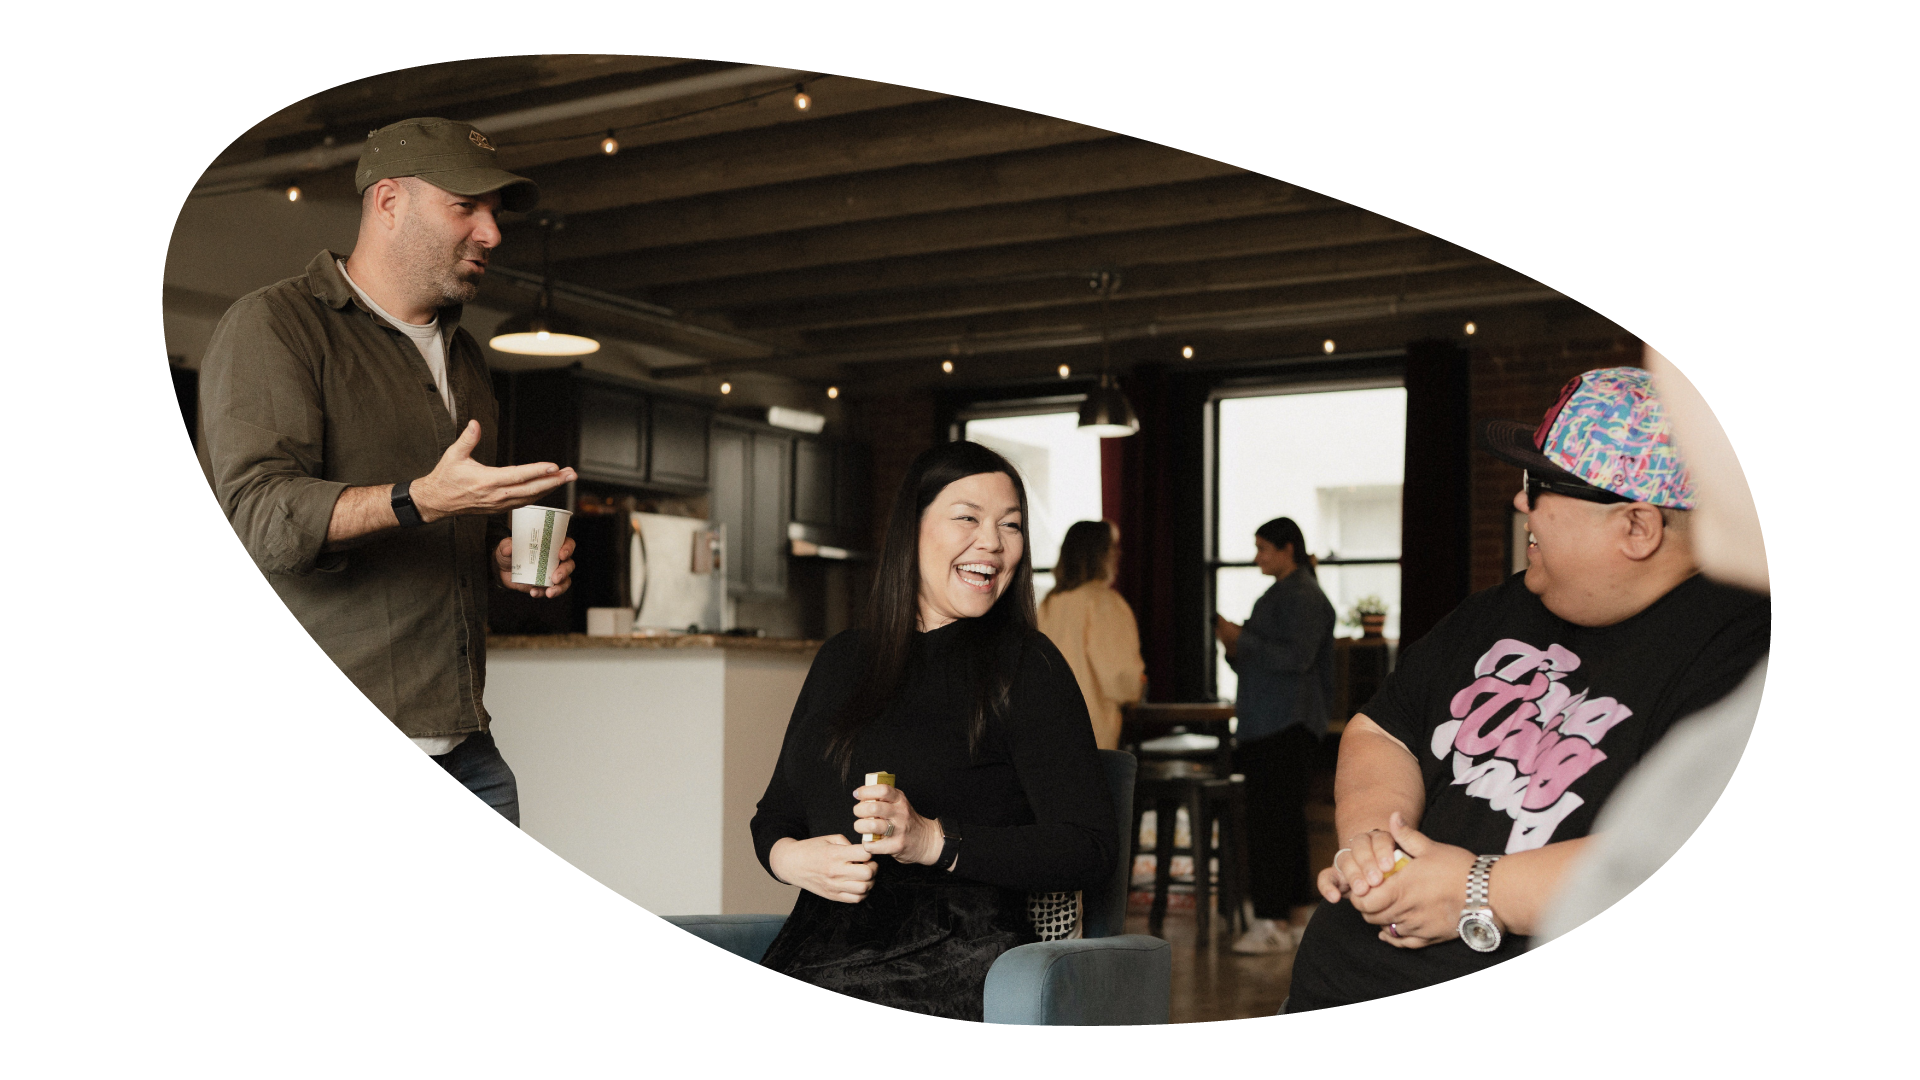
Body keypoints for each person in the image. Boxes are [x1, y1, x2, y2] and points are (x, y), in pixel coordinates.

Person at [1283, 366, 1769, 1014]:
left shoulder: (1745, 652)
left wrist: (1479, 890)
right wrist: (1377, 844)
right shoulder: (1506, 605)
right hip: (1340, 991)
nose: (1520, 502)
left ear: (1637, 528)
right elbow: (1385, 727)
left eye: (1540, 484)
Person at [200, 118, 579, 833]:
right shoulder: (276, 325)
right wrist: (422, 500)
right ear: (389, 202)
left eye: (495, 213)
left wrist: (495, 551)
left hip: (465, 746)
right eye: (466, 206)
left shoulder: (463, 356)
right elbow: (261, 524)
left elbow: (444, 517)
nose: (492, 233)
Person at [750, 441, 1118, 1023]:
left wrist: (934, 842)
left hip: (956, 956)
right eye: (968, 517)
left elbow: (1088, 848)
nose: (993, 542)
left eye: (1011, 525)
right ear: (912, 531)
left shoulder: (1028, 667)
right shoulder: (843, 660)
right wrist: (790, 859)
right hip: (816, 946)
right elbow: (776, 812)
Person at [1213, 517, 1336, 956]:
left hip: (1283, 724)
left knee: (1271, 827)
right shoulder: (1286, 593)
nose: (1257, 557)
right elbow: (1260, 661)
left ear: (1288, 549)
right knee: (1283, 825)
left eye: (1263, 548)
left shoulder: (1301, 596)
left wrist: (1240, 639)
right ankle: (1294, 915)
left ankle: (1272, 921)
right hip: (1272, 722)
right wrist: (1236, 646)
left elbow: (1296, 658)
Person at [1037, 519, 1146, 751]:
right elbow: (1118, 676)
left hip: (1047, 736)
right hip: (1092, 737)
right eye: (1112, 547)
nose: (1118, 553)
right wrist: (1138, 686)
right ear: (1098, 554)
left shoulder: (1047, 606)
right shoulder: (1103, 603)